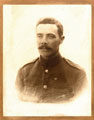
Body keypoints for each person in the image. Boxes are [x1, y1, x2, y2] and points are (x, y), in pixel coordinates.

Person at [15, 17, 87, 103]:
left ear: (61, 39)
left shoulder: (77, 74)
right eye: (39, 36)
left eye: (50, 36)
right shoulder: (24, 72)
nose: (44, 41)